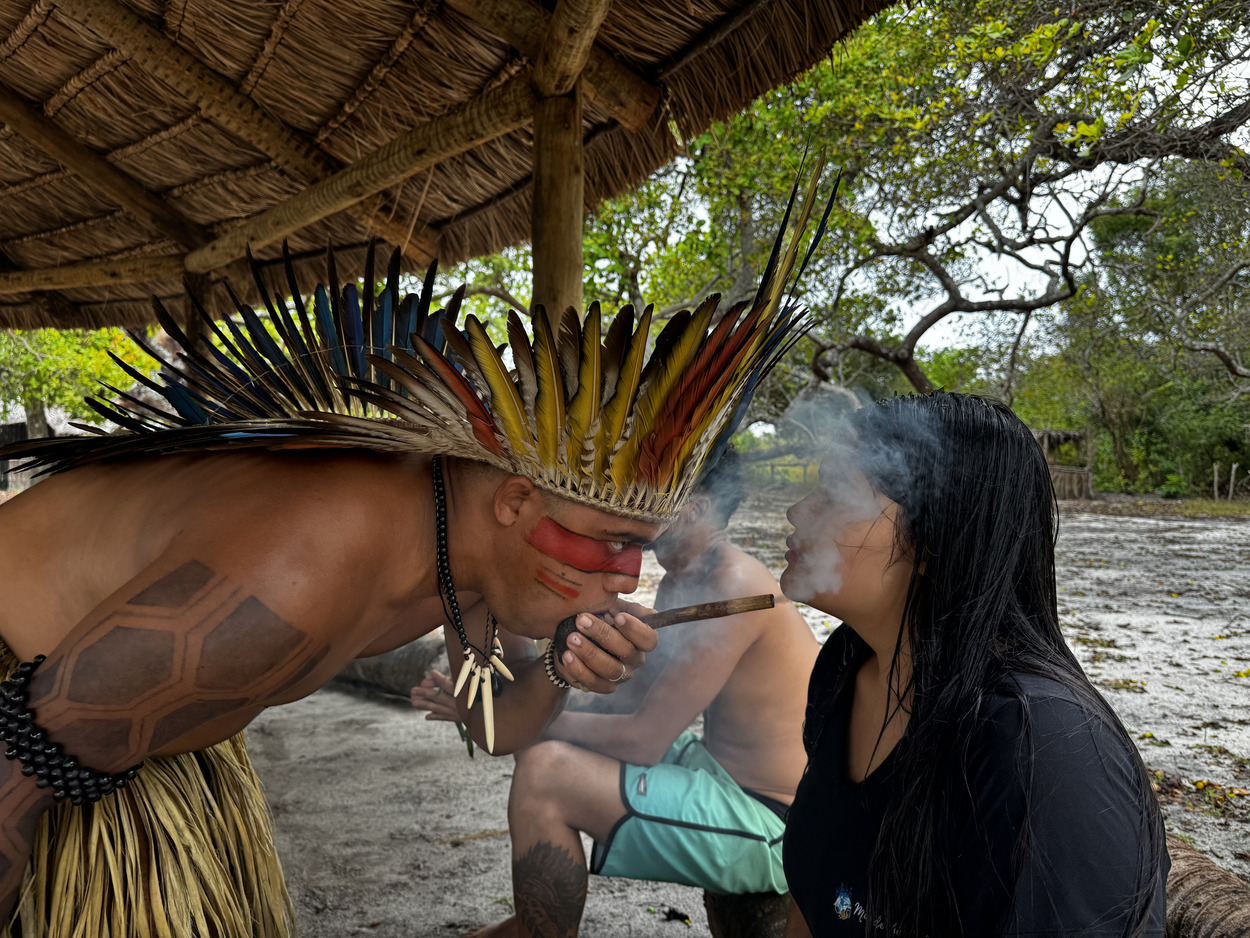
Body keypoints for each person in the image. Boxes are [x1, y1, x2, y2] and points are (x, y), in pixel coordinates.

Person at [0, 235, 811, 937]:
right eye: (613, 543)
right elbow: (14, 766)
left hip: (111, 747)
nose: (630, 576)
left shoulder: (473, 558)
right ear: (516, 502)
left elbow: (495, 725)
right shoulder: (294, 578)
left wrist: (562, 668)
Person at [779, 392, 1168, 937]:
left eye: (837, 491)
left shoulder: (1035, 744)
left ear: (934, 537)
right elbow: (814, 897)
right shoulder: (846, 664)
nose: (798, 511)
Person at [412, 447, 819, 938]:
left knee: (545, 774)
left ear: (696, 509)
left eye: (652, 505)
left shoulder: (734, 584)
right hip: (720, 776)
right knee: (544, 746)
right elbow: (627, 699)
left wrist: (510, 720)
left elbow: (642, 739)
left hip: (774, 823)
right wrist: (502, 704)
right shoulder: (685, 580)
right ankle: (531, 925)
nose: (636, 524)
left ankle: (533, 931)